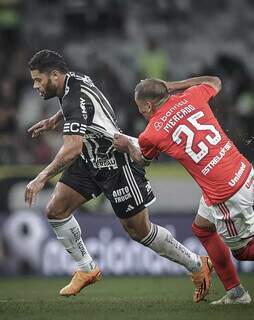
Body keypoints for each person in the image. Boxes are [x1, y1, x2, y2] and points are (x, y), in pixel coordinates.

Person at [25, 50, 211, 302]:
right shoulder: (75, 81)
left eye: (38, 80)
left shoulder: (72, 97)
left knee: (139, 231)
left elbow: (72, 147)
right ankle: (87, 268)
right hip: (90, 158)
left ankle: (196, 264)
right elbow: (82, 107)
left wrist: (41, 177)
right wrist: (55, 119)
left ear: (55, 75)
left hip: (116, 160)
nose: (35, 85)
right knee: (56, 210)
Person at [113, 76, 253, 305]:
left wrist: (127, 145)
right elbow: (216, 81)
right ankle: (236, 293)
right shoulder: (193, 95)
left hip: (226, 192)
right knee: (202, 228)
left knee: (243, 251)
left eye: (141, 110)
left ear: (148, 105)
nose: (142, 114)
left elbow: (143, 160)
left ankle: (238, 295)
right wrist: (174, 86)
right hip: (243, 170)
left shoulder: (152, 132)